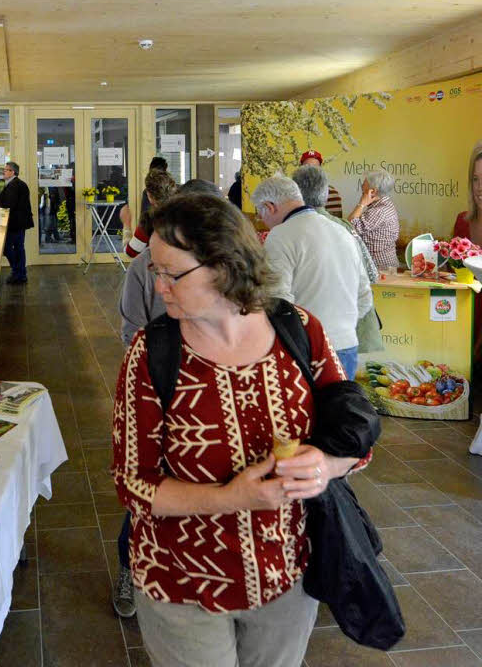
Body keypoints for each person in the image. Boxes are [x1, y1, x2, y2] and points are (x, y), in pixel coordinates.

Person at [113, 192, 362, 667]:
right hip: (180, 583)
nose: (159, 286)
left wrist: (326, 465)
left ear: (225, 266)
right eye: (155, 271)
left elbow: (353, 431)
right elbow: (133, 483)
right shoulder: (151, 354)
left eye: (172, 273)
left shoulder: (300, 330)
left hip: (288, 574)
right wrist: (230, 498)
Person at [112, 178, 223, 619]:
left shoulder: (245, 277)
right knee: (148, 492)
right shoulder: (146, 269)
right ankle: (128, 567)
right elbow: (130, 327)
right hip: (164, 400)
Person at [252, 175, 373, 380]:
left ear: (269, 207)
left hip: (307, 350)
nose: (262, 220)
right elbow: (364, 296)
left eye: (259, 213)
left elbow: (277, 301)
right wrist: (340, 327)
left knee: (306, 412)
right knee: (341, 411)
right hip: (347, 345)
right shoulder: (341, 231)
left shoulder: (281, 235)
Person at [292, 164, 383, 355]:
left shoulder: (291, 230)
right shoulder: (341, 227)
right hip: (342, 334)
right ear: (325, 194)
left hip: (312, 334)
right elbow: (370, 276)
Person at [451, 141, 482, 361]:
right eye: (475, 179)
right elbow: (453, 277)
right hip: (463, 324)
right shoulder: (462, 222)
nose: (480, 187)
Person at [348, 169, 400, 271]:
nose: (362, 186)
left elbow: (349, 226)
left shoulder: (379, 211)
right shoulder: (384, 204)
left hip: (380, 268)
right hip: (382, 266)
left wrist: (362, 203)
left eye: (364, 184)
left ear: (373, 191)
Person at [123, 170, 177, 259]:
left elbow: (130, 252)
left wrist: (127, 225)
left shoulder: (149, 219)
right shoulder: (187, 211)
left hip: (160, 270)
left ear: (149, 195)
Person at [0, 161, 33, 284]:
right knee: (18, 248)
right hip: (18, 222)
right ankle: (20, 273)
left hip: (15, 223)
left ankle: (18, 272)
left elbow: (9, 204)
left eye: (6, 170)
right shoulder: (15, 184)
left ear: (12, 172)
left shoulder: (14, 185)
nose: (4, 171)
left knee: (9, 247)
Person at [299, 150, 344, 217]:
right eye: (307, 166)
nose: (311, 170)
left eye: (315, 167)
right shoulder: (293, 191)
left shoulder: (331, 192)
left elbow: (336, 223)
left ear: (320, 169)